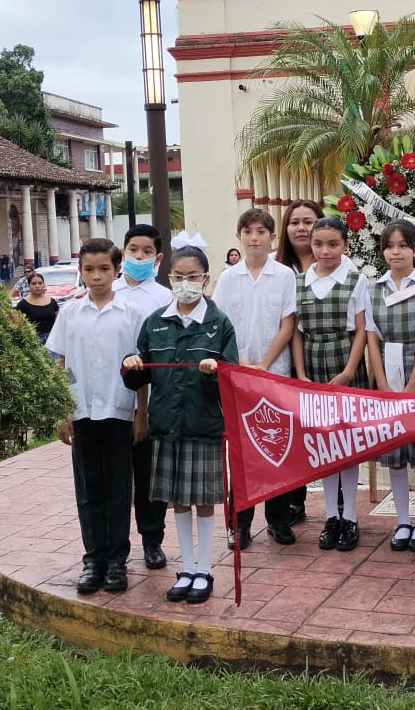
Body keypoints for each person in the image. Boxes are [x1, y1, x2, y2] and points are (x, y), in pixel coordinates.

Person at [122, 244, 238, 604]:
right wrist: (131, 364)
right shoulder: (156, 321)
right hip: (166, 424)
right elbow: (136, 376)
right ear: (168, 278)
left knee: (203, 502)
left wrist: (213, 372)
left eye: (192, 277)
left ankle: (204, 570)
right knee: (179, 503)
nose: (184, 283)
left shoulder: (218, 323)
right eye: (178, 276)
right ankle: (186, 567)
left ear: (205, 279)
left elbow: (231, 377)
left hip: (203, 425)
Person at [47, 239, 145, 595]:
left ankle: (118, 560)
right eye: (89, 269)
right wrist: (62, 411)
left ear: (117, 269)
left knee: (120, 488)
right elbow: (61, 363)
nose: (97, 276)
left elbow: (141, 370)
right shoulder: (71, 313)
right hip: (83, 411)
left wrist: (141, 414)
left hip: (120, 411)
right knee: (89, 489)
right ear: (81, 271)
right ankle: (94, 559)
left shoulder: (132, 313)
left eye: (104, 268)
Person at [212, 209, 298, 549]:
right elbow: (222, 327)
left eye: (262, 231)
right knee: (243, 453)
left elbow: (287, 325)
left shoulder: (285, 275)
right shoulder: (228, 278)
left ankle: (278, 521)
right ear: (239, 236)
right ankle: (240, 524)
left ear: (272, 237)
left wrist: (264, 364)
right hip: (239, 376)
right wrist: (245, 364)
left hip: (275, 374)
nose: (255, 238)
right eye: (248, 231)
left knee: (276, 448)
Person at [291, 216, 370, 552]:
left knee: (346, 442)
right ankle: (331, 517)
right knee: (323, 444)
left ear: (345, 245)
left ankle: (350, 516)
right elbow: (295, 331)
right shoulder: (298, 281)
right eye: (319, 243)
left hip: (342, 359)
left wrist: (350, 370)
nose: (325, 250)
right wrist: (301, 374)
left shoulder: (354, 279)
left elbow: (362, 329)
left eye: (333, 244)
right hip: (311, 361)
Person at [366, 220, 415, 554]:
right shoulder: (374, 288)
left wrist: (413, 383)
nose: (395, 252)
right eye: (389, 245)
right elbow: (371, 338)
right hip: (388, 371)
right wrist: (383, 384)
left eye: (402, 245)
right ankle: (401, 521)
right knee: (395, 453)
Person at [111, 224, 173, 570]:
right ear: (122, 253)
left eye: (146, 251)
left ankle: (153, 541)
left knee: (150, 479)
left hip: (152, 403)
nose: (138, 256)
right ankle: (116, 548)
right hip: (111, 404)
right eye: (132, 250)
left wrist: (143, 410)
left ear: (158, 258)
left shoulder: (164, 298)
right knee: (117, 480)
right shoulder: (108, 292)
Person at [275, 199, 324, 522]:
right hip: (283, 363)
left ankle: (338, 504)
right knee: (289, 435)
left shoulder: (334, 264)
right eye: (295, 222)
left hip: (324, 360)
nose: (302, 228)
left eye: (309, 221)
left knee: (322, 432)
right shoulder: (277, 269)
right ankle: (292, 500)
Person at [15, 272, 59, 344]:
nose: (37, 286)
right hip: (34, 342)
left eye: (40, 283)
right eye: (34, 283)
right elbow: (18, 325)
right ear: (29, 285)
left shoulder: (52, 302)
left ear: (44, 284)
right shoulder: (23, 305)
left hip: (52, 340)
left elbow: (57, 322)